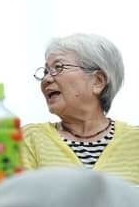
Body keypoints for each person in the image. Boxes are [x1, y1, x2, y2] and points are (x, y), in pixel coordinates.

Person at [23, 33, 139, 184]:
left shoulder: (135, 141)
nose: (46, 79)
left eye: (58, 68)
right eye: (45, 71)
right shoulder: (29, 138)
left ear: (98, 81)